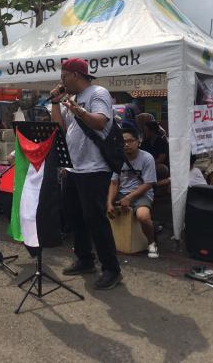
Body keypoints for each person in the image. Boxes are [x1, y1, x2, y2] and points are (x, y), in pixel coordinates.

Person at [50, 57, 122, 290]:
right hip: (74, 167)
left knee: (95, 219)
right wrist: (55, 103)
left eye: (63, 77)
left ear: (75, 75)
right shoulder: (73, 99)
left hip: (95, 168)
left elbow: (100, 123)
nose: (61, 81)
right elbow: (59, 127)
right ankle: (85, 259)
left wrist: (76, 108)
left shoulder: (97, 94)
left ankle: (111, 269)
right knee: (74, 215)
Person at [106, 128, 159, 258]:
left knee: (143, 216)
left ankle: (152, 242)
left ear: (138, 142)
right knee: (100, 208)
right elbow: (114, 183)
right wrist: (109, 204)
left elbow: (148, 184)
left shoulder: (147, 158)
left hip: (141, 193)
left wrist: (129, 198)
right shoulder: (118, 159)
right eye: (123, 141)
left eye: (130, 141)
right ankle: (110, 243)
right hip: (122, 193)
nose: (126, 144)